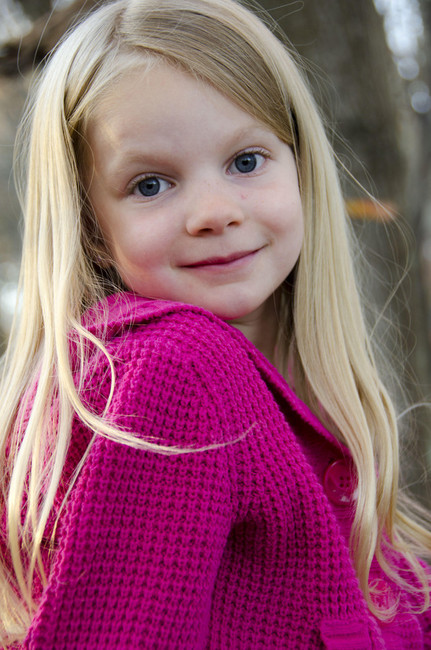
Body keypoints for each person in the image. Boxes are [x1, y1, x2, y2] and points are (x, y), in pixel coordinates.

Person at [0, 0, 430, 647]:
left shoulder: (276, 404)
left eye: (245, 161)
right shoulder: (177, 371)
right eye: (150, 184)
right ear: (91, 229)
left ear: (299, 166)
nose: (213, 211)